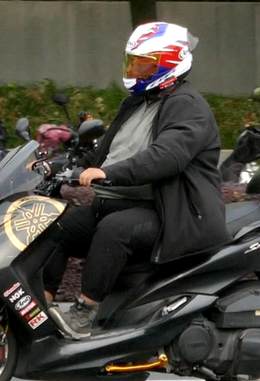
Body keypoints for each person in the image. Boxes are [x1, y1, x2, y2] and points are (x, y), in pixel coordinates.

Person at [39, 22, 232, 339]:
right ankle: (39, 308)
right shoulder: (135, 103)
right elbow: (102, 154)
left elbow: (167, 156)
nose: (135, 69)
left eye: (144, 63)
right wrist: (53, 165)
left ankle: (85, 314)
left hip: (173, 215)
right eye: (133, 62)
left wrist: (108, 174)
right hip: (121, 205)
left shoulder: (188, 106)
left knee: (114, 230)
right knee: (53, 225)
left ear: (169, 63)